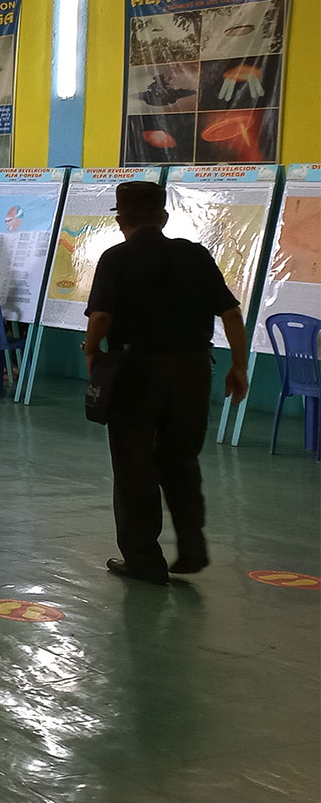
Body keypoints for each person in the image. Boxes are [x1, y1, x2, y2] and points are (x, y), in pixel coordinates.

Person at [83, 180, 248, 585]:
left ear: (121, 219)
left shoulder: (116, 258)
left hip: (135, 372)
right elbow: (230, 315)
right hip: (192, 370)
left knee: (133, 463)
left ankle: (144, 560)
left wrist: (91, 354)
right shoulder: (195, 255)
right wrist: (239, 367)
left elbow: (100, 319)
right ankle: (191, 546)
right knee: (181, 460)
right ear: (164, 217)